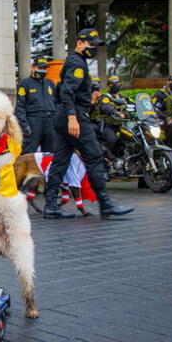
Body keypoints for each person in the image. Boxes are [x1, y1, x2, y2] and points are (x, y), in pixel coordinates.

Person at [43, 29, 134, 219]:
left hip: (64, 115)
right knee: (94, 156)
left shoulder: (76, 62)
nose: (94, 48)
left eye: (96, 45)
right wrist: (72, 117)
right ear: (79, 43)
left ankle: (51, 205)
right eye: (91, 44)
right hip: (74, 115)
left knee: (61, 160)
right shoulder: (77, 62)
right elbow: (67, 91)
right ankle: (105, 203)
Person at [15, 57, 57, 153]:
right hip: (33, 121)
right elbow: (20, 106)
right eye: (40, 68)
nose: (42, 71)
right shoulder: (25, 84)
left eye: (45, 68)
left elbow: (57, 103)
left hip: (50, 121)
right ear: (33, 68)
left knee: (50, 153)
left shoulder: (50, 84)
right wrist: (24, 125)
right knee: (29, 152)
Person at [91, 75, 132, 158]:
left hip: (122, 125)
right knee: (112, 140)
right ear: (109, 85)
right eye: (113, 84)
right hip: (108, 124)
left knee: (131, 138)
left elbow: (134, 103)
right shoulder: (105, 97)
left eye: (117, 83)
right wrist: (115, 112)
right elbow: (106, 107)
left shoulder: (123, 98)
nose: (116, 85)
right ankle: (108, 158)